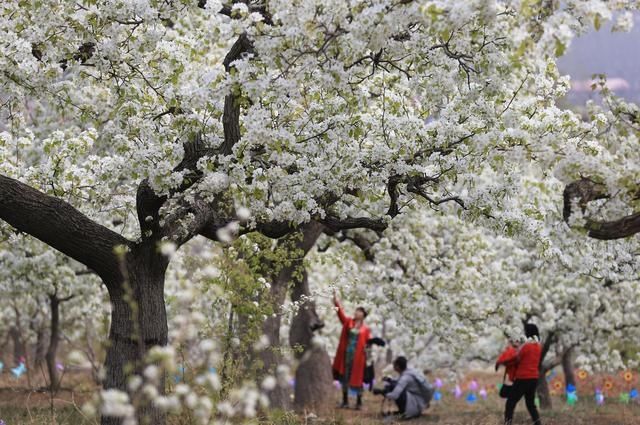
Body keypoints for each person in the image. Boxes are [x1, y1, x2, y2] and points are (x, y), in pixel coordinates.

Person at [496, 323, 543, 425]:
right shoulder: (538, 347)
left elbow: (516, 359)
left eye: (526, 331)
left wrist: (502, 362)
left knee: (510, 403)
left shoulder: (526, 347)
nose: (524, 333)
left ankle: (507, 423)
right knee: (530, 404)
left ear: (529, 333)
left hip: (523, 378)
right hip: (534, 378)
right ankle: (538, 423)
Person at [332, 291, 371, 409]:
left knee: (358, 379)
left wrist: (368, 355)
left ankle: (359, 402)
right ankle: (345, 401)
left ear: (363, 315)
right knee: (344, 377)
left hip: (359, 357)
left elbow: (368, 343)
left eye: (359, 311)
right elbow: (340, 315)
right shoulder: (348, 322)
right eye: (356, 311)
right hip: (346, 355)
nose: (356, 313)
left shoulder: (366, 329)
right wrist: (336, 302)